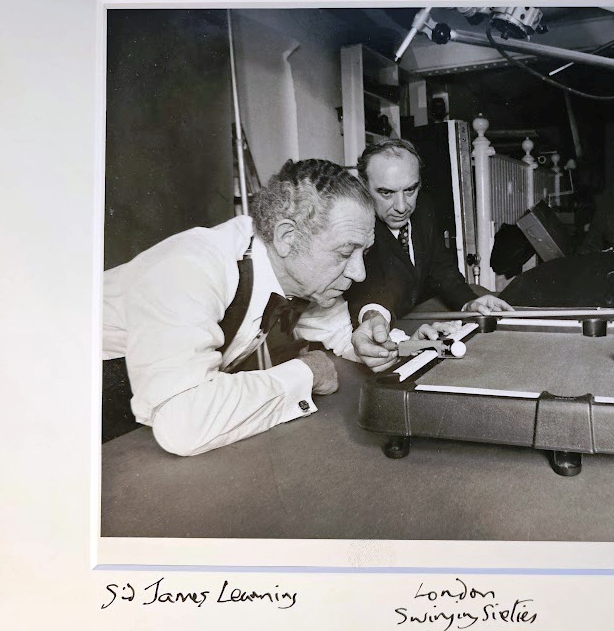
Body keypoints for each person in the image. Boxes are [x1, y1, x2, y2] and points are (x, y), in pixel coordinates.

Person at [102, 158, 376, 456]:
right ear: (287, 238)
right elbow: (183, 424)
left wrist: (371, 343)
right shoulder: (190, 267)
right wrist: (305, 373)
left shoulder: (296, 273)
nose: (359, 272)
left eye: (364, 253)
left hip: (150, 406)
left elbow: (338, 333)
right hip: (82, 392)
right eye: (345, 252)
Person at [345, 139, 513, 372]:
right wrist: (374, 318)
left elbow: (440, 265)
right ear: (364, 187)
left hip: (417, 311)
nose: (402, 206)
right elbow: (369, 289)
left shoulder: (424, 207)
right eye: (386, 193)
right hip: (381, 325)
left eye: (410, 190)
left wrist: (468, 301)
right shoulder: (354, 226)